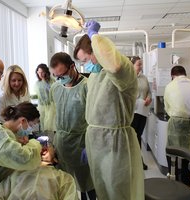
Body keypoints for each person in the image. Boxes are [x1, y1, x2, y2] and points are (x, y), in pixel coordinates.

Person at [73, 21, 144, 200]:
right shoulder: (96, 75)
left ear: (97, 51)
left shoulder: (124, 70)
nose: (85, 66)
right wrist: (90, 143)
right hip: (97, 142)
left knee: (118, 191)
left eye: (86, 60)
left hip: (115, 143)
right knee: (102, 190)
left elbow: (114, 66)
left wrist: (94, 36)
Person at [47, 52, 96, 200]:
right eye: (56, 76)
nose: (60, 79)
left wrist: (90, 144)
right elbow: (53, 116)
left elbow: (94, 119)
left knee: (87, 183)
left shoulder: (87, 86)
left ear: (72, 67)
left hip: (82, 143)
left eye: (62, 75)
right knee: (65, 183)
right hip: (61, 143)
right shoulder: (56, 88)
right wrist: (51, 142)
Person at [0, 102, 42, 197]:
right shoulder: (4, 139)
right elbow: (25, 157)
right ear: (23, 121)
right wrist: (36, 143)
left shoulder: (1, 128)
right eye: (32, 125)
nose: (31, 129)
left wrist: (18, 139)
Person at [0, 144, 79, 200]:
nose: (44, 147)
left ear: (55, 159)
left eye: (49, 147)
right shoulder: (17, 172)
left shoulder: (63, 177)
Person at [164, 65, 190, 186]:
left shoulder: (170, 86)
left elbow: (167, 106)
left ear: (172, 75)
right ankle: (186, 178)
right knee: (189, 151)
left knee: (172, 151)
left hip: (177, 123)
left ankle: (173, 175)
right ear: (185, 73)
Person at [130, 56, 152, 170]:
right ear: (132, 65)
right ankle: (136, 161)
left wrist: (149, 98)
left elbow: (148, 91)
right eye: (139, 64)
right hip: (132, 112)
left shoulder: (144, 78)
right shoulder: (128, 78)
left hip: (143, 111)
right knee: (133, 137)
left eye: (141, 64)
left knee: (138, 135)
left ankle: (138, 161)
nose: (141, 66)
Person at [35, 63, 55, 131]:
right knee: (43, 124)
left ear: (46, 72)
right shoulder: (37, 83)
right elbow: (37, 95)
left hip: (51, 106)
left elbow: (53, 93)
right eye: (39, 72)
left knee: (50, 124)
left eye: (42, 72)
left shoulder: (52, 81)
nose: (40, 74)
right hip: (42, 107)